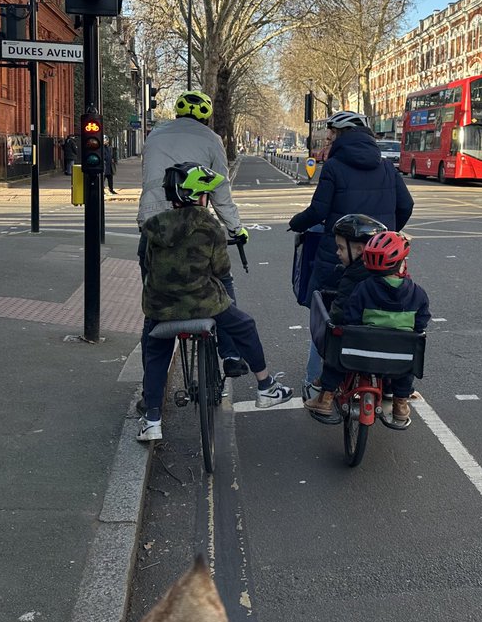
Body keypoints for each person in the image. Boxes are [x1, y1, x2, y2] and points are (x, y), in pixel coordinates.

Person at [137, 163, 293, 442]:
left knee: (156, 352)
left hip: (161, 307)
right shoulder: (209, 226)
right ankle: (266, 386)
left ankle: (151, 420)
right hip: (203, 303)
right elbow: (221, 270)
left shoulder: (153, 227)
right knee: (244, 325)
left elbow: (148, 266)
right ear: (199, 196)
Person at [289, 111, 414, 387]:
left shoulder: (333, 167)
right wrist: (388, 234)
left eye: (331, 135)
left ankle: (315, 383)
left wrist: (296, 223)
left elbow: (319, 210)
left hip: (341, 256)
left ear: (341, 136)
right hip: (382, 258)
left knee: (326, 316)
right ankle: (390, 385)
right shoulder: (386, 167)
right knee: (383, 314)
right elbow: (406, 206)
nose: (329, 140)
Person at [138, 90, 249, 378]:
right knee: (223, 281)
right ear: (207, 117)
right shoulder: (212, 140)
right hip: (193, 225)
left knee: (155, 299)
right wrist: (236, 229)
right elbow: (220, 192)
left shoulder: (154, 136)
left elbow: (148, 178)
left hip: (153, 224)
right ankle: (231, 354)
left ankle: (151, 389)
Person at [303, 230, 430, 427]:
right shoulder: (417, 293)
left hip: (361, 352)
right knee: (407, 367)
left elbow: (350, 317)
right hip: (397, 356)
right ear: (402, 263)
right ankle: (400, 404)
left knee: (336, 359)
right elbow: (421, 322)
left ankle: (325, 399)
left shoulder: (363, 288)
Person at [302, 213, 388, 406]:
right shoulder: (393, 278)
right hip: (389, 348)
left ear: (359, 249)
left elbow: (339, 312)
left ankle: (326, 396)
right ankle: (397, 397)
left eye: (341, 248)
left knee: (336, 342)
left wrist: (333, 320)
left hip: (356, 343)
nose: (337, 253)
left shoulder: (352, 277)